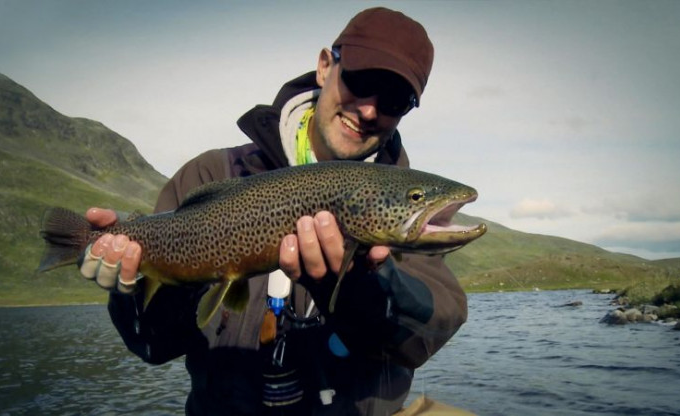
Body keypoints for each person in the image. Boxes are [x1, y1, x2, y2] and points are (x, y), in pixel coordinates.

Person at [82, 7, 467, 416]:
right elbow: (154, 345)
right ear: (325, 66)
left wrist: (361, 287)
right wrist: (137, 287)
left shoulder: (399, 207)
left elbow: (430, 330)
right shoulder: (211, 174)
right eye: (362, 81)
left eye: (394, 99)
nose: (370, 110)